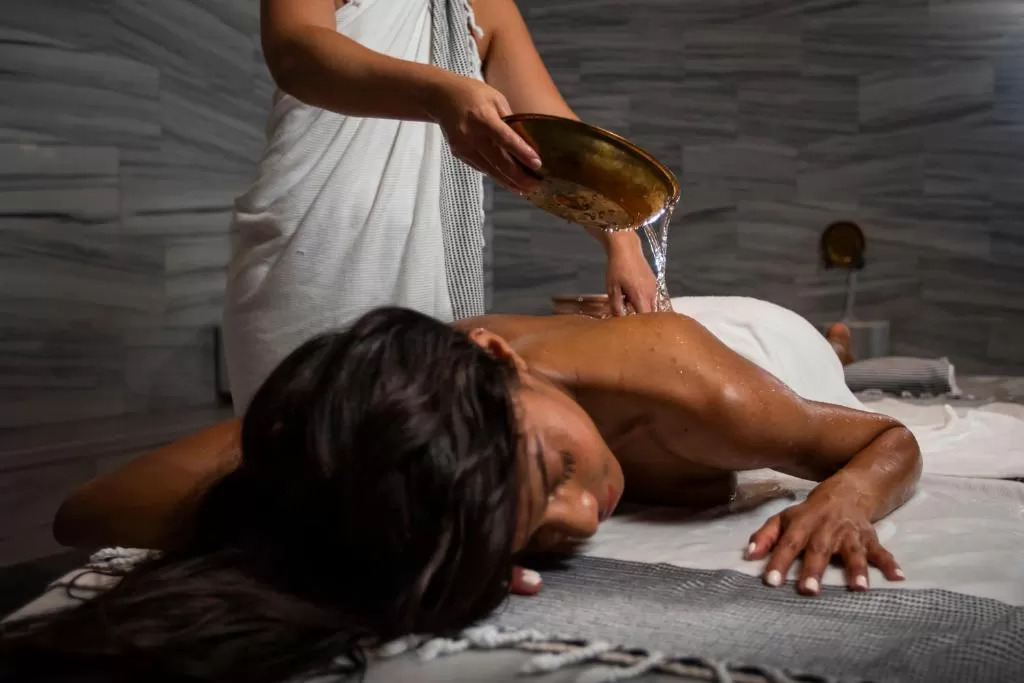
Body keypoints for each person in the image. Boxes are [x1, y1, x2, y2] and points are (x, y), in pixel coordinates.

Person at [1, 298, 921, 683]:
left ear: (499, 359)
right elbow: (90, 510)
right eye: (535, 530)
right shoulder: (407, 407)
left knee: (823, 356)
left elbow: (886, 439)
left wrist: (843, 497)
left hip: (751, 339)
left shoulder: (703, 398)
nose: (580, 518)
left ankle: (834, 335)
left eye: (555, 472)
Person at [223, 0, 657, 413]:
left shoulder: (484, 9)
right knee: (292, 448)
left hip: (427, 278)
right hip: (311, 252)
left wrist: (623, 242)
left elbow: (560, 146)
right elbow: (295, 51)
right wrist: (436, 93)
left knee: (423, 450)